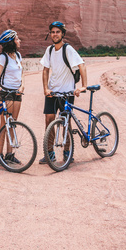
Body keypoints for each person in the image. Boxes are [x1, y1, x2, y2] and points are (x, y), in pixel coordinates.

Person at [39, 21, 87, 164]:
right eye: (52, 32)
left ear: (63, 34)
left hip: (67, 92)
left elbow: (82, 65)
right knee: (48, 120)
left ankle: (67, 152)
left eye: (57, 32)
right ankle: (49, 154)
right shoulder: (49, 50)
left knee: (66, 121)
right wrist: (45, 89)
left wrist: (84, 86)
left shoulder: (68, 49)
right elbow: (45, 70)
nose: (55, 34)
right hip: (53, 92)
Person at [0, 29, 24, 164]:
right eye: (17, 39)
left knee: (12, 123)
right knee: (4, 124)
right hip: (5, 93)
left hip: (17, 93)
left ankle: (9, 154)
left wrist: (22, 85)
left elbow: (22, 74)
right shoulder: (3, 57)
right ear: (11, 42)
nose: (19, 41)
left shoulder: (18, 56)